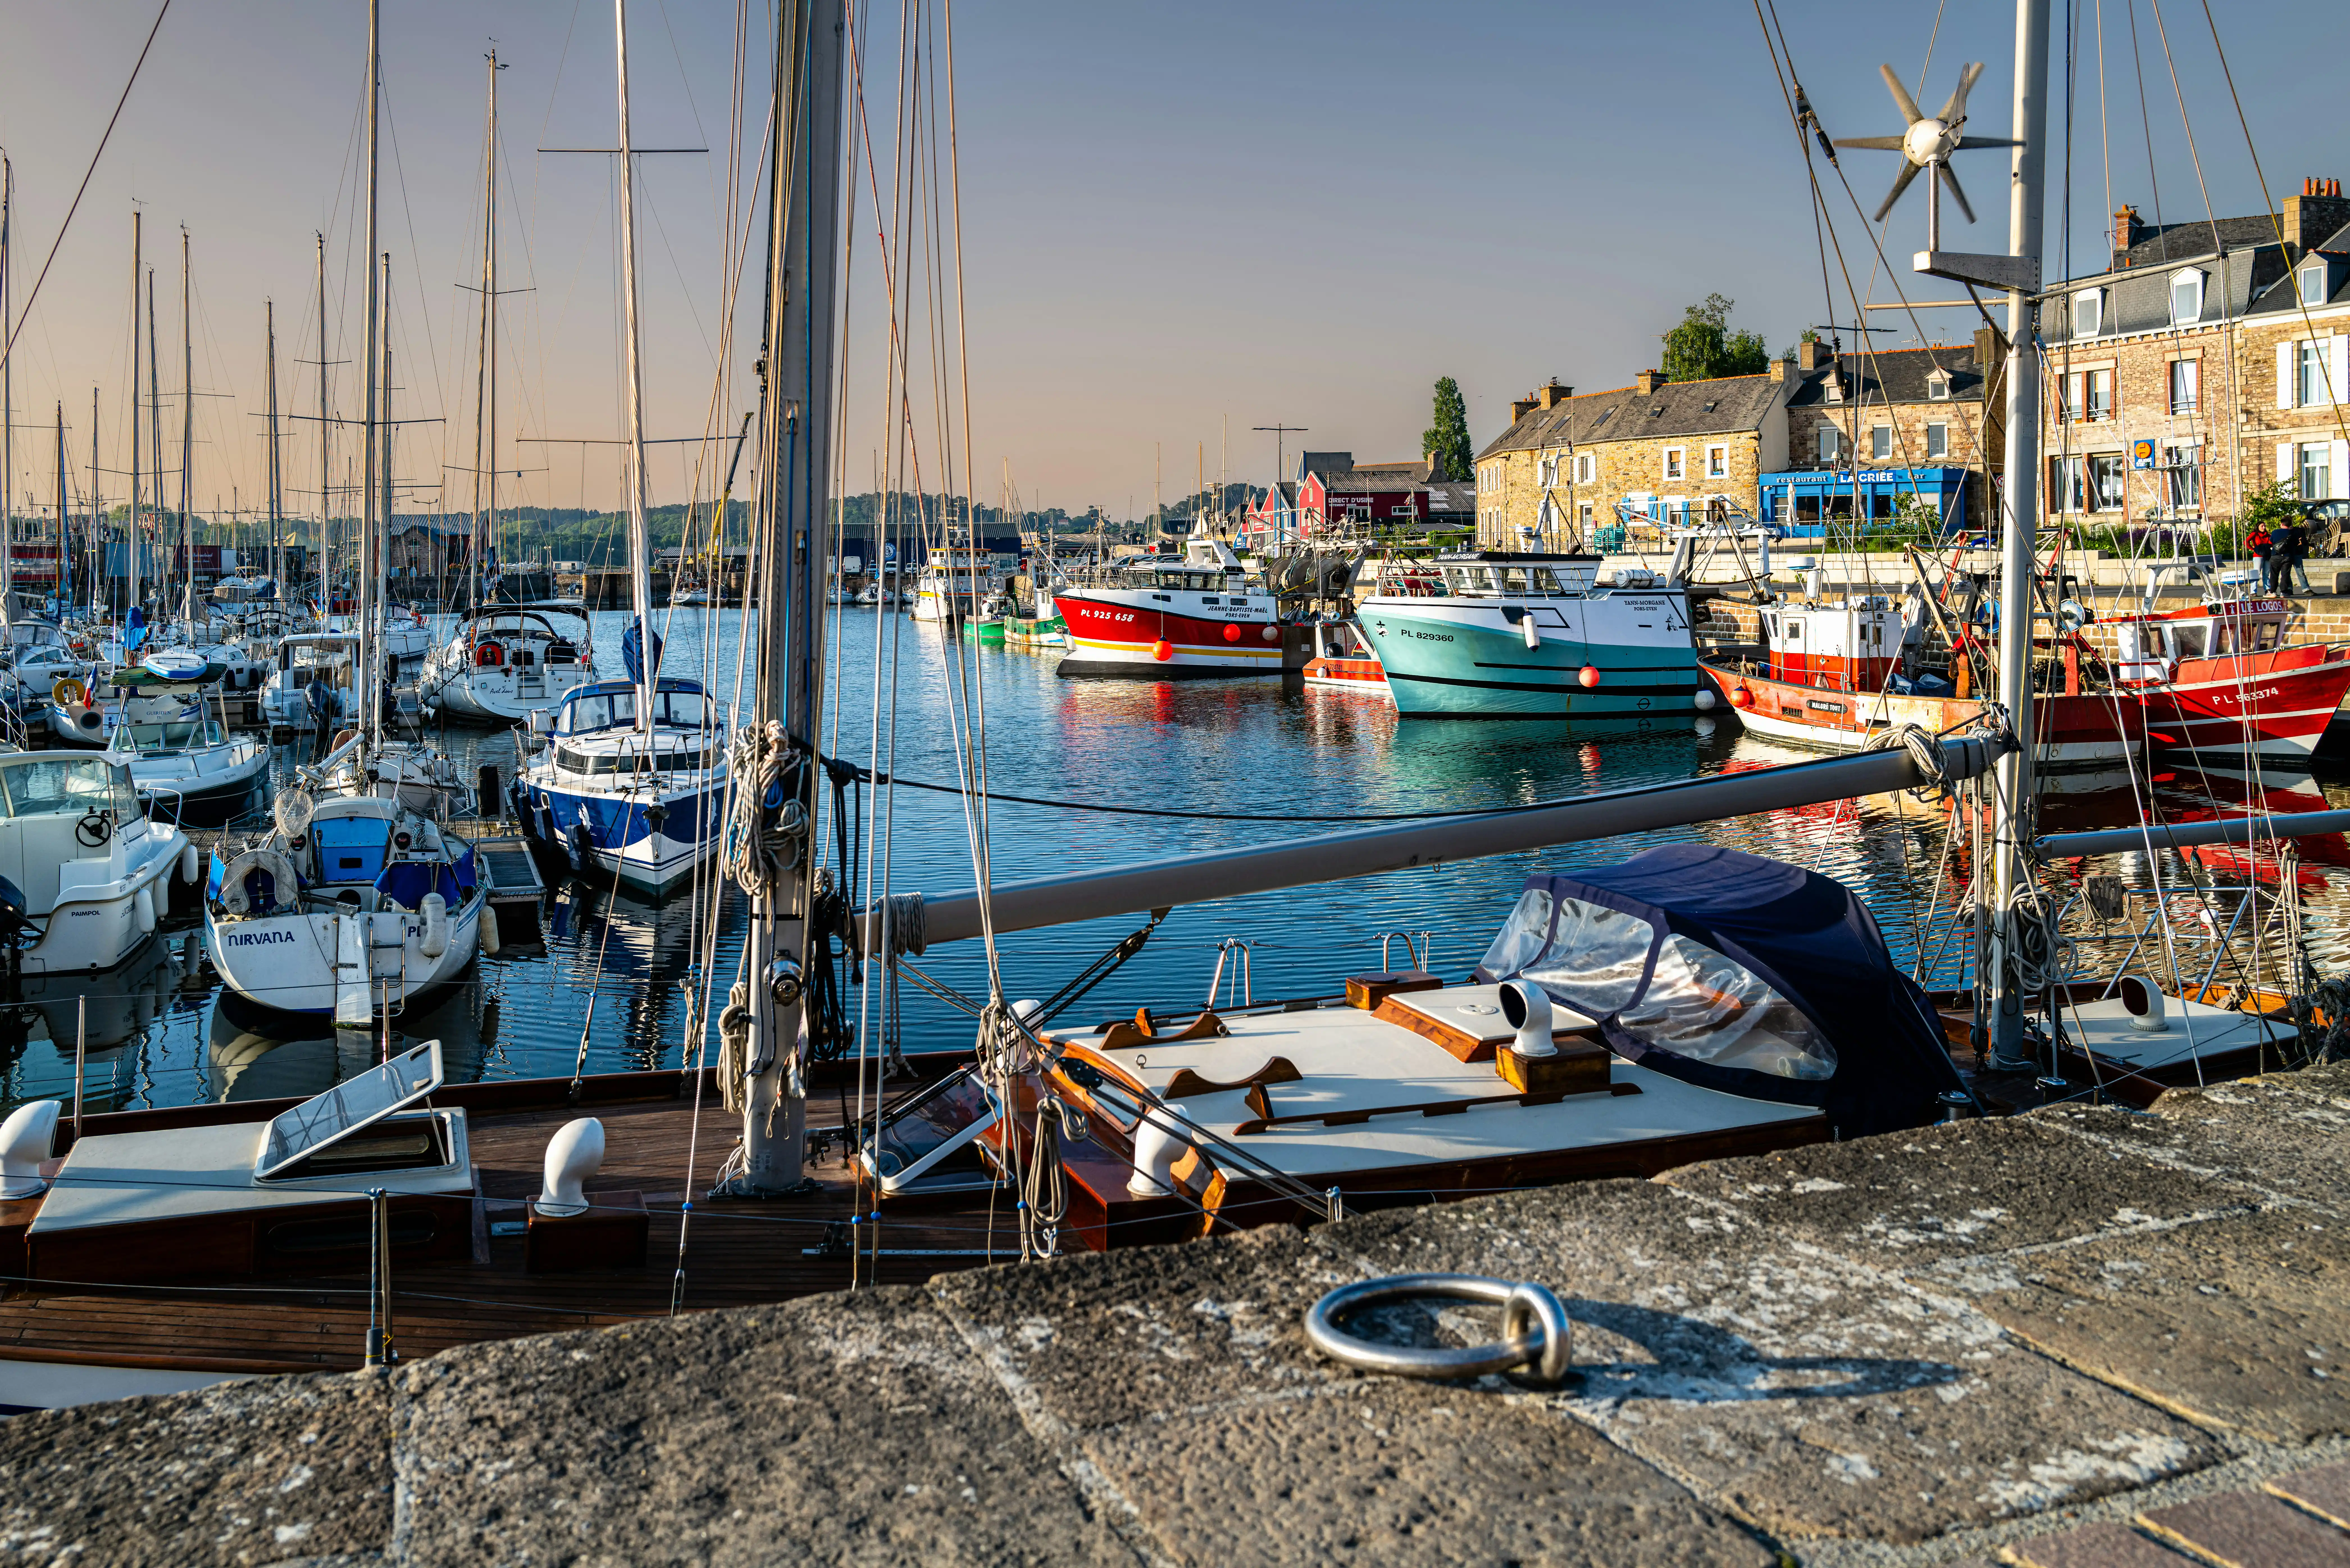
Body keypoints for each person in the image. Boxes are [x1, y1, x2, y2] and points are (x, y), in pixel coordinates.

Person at [2279, 518, 2313, 596]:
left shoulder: (2299, 530)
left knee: (2300, 571)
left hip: (2297, 553)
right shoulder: (2283, 531)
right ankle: (2289, 589)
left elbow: (2304, 541)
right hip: (2287, 554)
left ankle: (2306, 589)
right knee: (2286, 573)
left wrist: (2301, 543)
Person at [2248, 521, 2277, 592]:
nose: (2264, 528)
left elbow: (2272, 544)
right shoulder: (2255, 534)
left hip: (2267, 555)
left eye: (2265, 526)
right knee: (2257, 573)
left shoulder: (2269, 535)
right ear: (2258, 527)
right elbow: (2246, 542)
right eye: (2262, 526)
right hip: (2258, 555)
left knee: (2266, 574)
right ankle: (2253, 591)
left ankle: (2267, 589)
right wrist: (2253, 549)